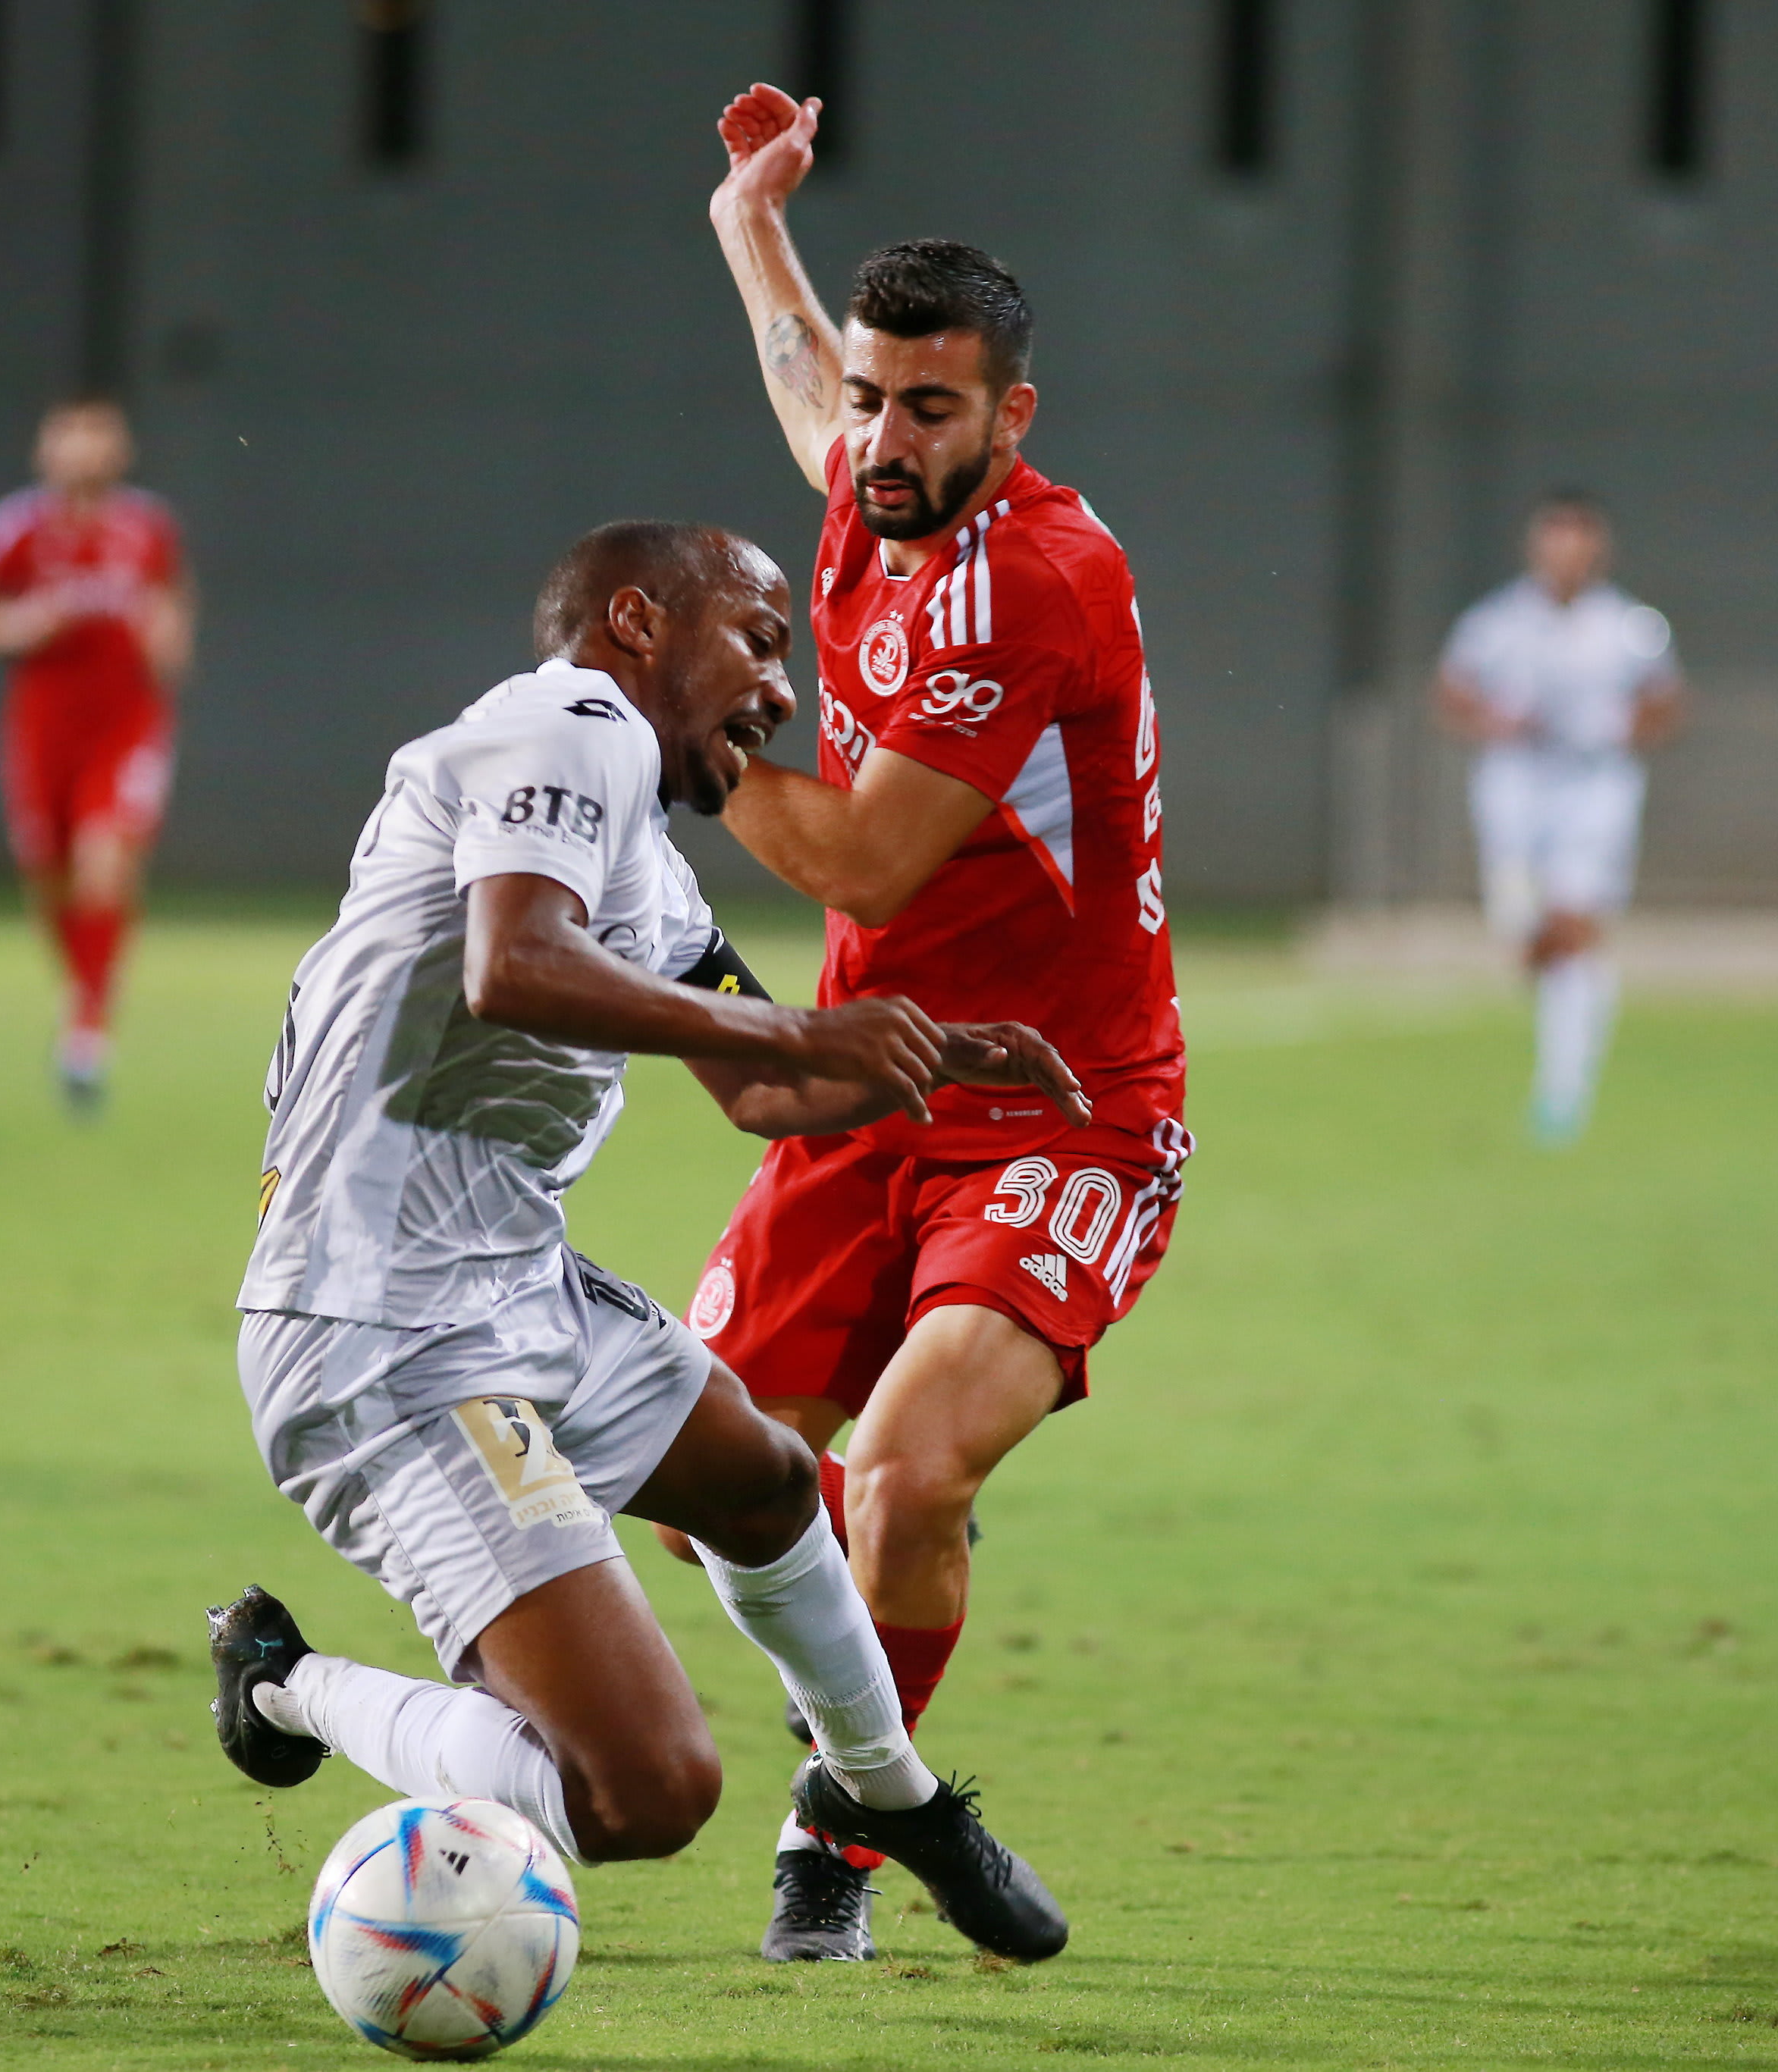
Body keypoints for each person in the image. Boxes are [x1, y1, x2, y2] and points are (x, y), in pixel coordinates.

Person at [206, 520, 1084, 1964]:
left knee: (764, 1476)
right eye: (756, 638)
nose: (782, 692)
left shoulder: (649, 857)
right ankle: (285, 1676)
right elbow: (514, 969)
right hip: (382, 1332)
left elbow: (761, 1087)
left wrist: (931, 1055)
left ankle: (893, 1793)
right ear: (634, 622)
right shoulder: (572, 722)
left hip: (508, 1281)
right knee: (643, 1792)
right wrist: (807, 1024)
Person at [678, 84, 1193, 1962]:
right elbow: (805, 387)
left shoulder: (1036, 584)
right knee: (700, 1474)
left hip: (1065, 1113)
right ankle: (868, 1743)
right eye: (883, 399)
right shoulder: (870, 484)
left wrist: (686, 723)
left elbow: (859, 860)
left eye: (930, 408)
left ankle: (844, 1833)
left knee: (900, 1476)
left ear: (1011, 418)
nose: (881, 440)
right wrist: (750, 222)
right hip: (867, 1094)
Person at [0, 397, 195, 1113]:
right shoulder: (12, 529)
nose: (85, 448)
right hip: (42, 728)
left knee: (103, 860)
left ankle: (87, 1029)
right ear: (45, 449)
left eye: (98, 434)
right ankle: (83, 992)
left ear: (121, 449)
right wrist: (20, 624)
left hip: (125, 725)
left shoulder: (147, 529)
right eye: (70, 434)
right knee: (49, 877)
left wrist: (165, 639)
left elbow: (173, 623)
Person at [1432, 492, 1686, 1145]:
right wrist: (1492, 719)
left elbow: (1665, 702)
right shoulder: (1497, 621)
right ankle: (1567, 998)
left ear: (1597, 550)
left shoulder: (1630, 626)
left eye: (1579, 542)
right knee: (1529, 934)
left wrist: (1624, 727)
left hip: (1594, 790)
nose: (1567, 556)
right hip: (1513, 788)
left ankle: (1562, 1095)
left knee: (1573, 924)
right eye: (1555, 541)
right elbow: (1452, 690)